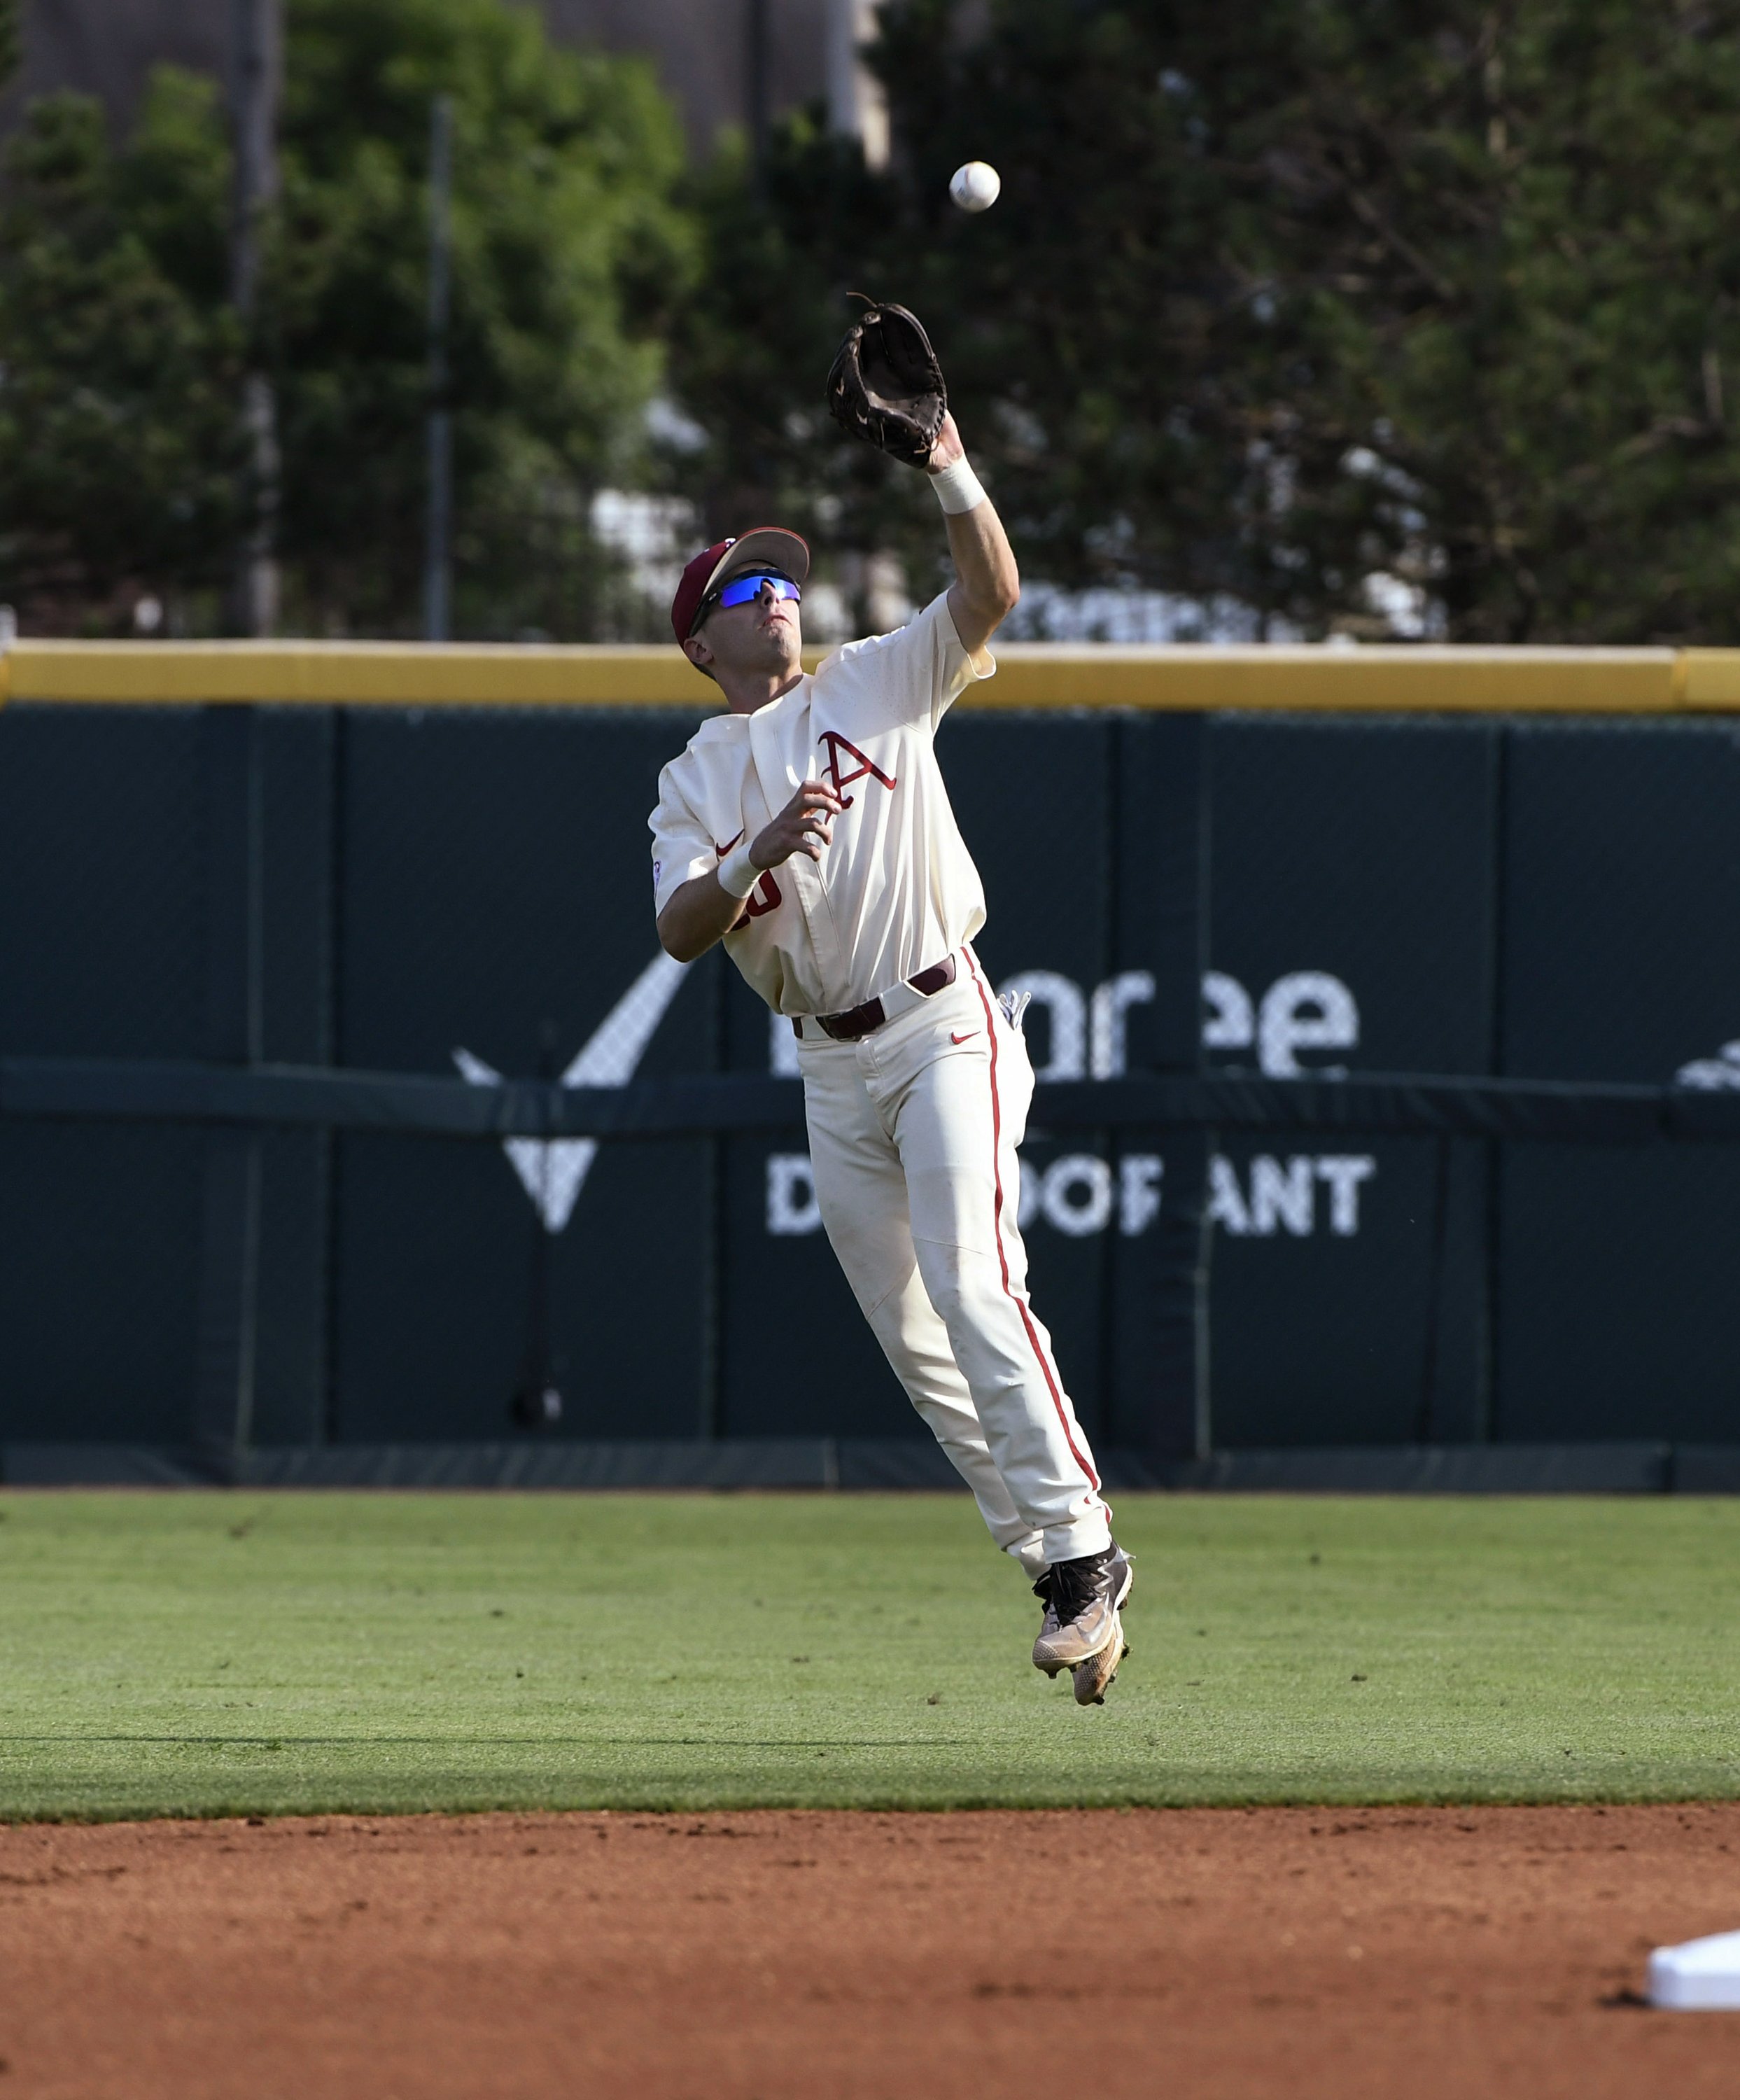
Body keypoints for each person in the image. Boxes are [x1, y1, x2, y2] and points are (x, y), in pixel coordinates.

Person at [648, 411, 1132, 1705]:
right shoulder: (692, 781)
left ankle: (1085, 1548)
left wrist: (950, 467)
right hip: (827, 1065)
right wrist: (749, 855)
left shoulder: (873, 678)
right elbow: (679, 929)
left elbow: (992, 593)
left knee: (972, 1281)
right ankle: (1057, 1569)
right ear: (701, 643)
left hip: (939, 1020)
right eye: (746, 589)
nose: (777, 596)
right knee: (916, 1342)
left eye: (783, 582)